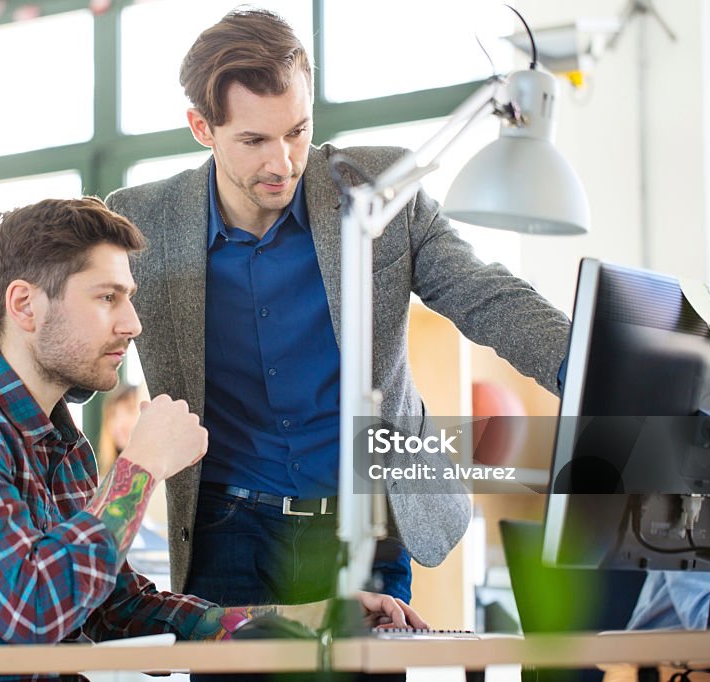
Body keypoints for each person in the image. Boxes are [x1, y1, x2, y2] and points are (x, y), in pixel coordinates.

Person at [105, 7, 571, 613]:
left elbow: (485, 295)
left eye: (297, 131)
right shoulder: (144, 222)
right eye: (253, 140)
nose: (283, 163)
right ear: (202, 127)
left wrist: (592, 371)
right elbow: (80, 345)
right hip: (228, 529)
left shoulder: (378, 187)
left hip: (369, 522)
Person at [0, 197, 424, 680]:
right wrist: (140, 464)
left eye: (128, 297)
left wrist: (310, 617)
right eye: (107, 297)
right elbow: (34, 609)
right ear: (24, 304)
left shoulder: (59, 444)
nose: (133, 323)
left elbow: (119, 606)